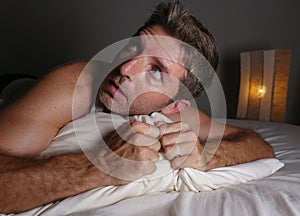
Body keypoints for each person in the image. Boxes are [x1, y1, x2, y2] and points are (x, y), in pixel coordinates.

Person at [0, 1, 275, 214]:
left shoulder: (179, 112)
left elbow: (258, 145)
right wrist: (98, 166)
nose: (126, 68)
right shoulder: (74, 85)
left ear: (176, 102)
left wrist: (208, 156)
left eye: (156, 70)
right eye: (134, 47)